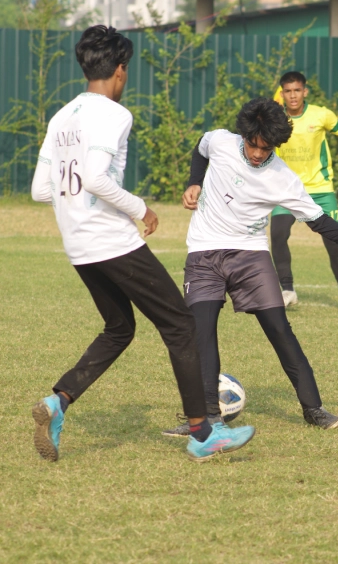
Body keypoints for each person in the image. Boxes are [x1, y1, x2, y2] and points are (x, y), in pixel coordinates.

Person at [29, 26, 253, 462]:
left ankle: (59, 401)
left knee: (119, 328)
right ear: (120, 69)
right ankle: (202, 433)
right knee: (181, 325)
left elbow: (41, 189)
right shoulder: (115, 115)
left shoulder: (61, 117)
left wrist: (78, 208)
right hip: (110, 241)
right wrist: (140, 209)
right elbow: (95, 178)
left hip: (78, 245)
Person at [166, 97, 338, 437]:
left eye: (267, 147)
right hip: (204, 252)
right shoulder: (221, 142)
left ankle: (313, 408)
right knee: (201, 332)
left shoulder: (282, 177)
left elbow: (316, 218)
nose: (258, 153)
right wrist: (194, 182)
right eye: (253, 144)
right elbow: (200, 148)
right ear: (243, 134)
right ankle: (208, 418)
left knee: (279, 330)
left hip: (250, 256)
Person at [268, 71, 338, 313]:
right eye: (288, 91)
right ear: (282, 93)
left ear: (305, 91)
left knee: (334, 240)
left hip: (320, 189)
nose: (293, 95)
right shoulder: (275, 118)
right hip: (287, 190)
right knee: (278, 235)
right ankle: (287, 290)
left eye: (297, 90)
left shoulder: (321, 115)